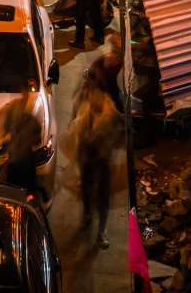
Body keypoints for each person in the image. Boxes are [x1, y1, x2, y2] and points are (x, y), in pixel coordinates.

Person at [68, 71, 122, 249]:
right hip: (87, 157)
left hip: (102, 159)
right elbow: (76, 129)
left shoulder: (108, 106)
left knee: (103, 197)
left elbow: (117, 125)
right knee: (86, 189)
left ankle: (101, 231)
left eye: (90, 86)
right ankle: (87, 215)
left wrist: (106, 142)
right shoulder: (82, 104)